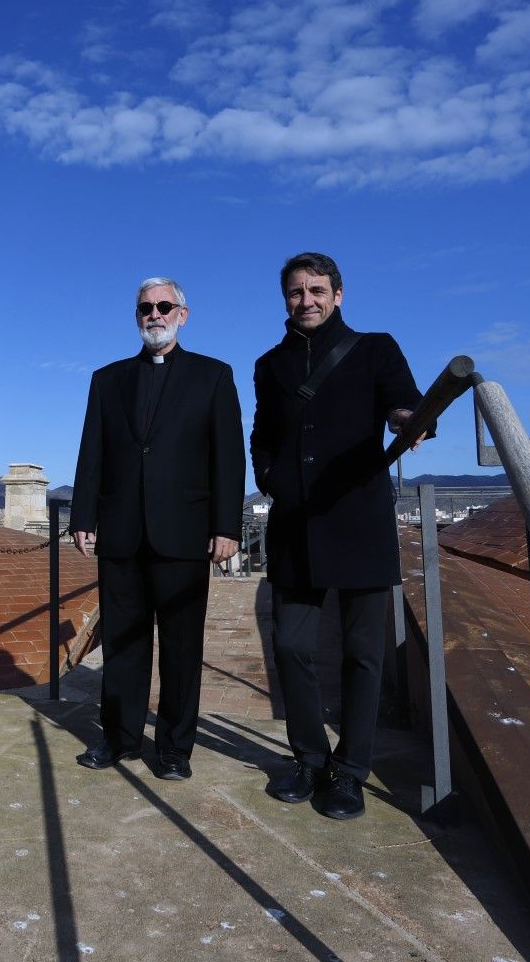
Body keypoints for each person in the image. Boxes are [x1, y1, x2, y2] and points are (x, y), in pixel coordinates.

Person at [250, 252, 427, 819]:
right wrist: (270, 478)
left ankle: (349, 772)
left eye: (317, 290)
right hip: (295, 524)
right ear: (286, 299)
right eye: (297, 292)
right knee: (291, 646)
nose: (307, 300)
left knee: (362, 655)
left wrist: (409, 420)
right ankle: (308, 759)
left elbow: (405, 402)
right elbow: (262, 434)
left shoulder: (376, 347)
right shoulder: (269, 363)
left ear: (339, 294)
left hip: (359, 521)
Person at [70, 277, 245, 781]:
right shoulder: (108, 379)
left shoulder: (214, 376)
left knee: (181, 645)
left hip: (186, 532)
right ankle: (118, 738)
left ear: (182, 314)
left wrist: (226, 526)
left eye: (165, 306)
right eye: (146, 307)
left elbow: (228, 459)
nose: (155, 314)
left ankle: (174, 749)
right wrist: (84, 515)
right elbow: (92, 453)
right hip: (122, 532)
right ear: (136, 316)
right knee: (123, 642)